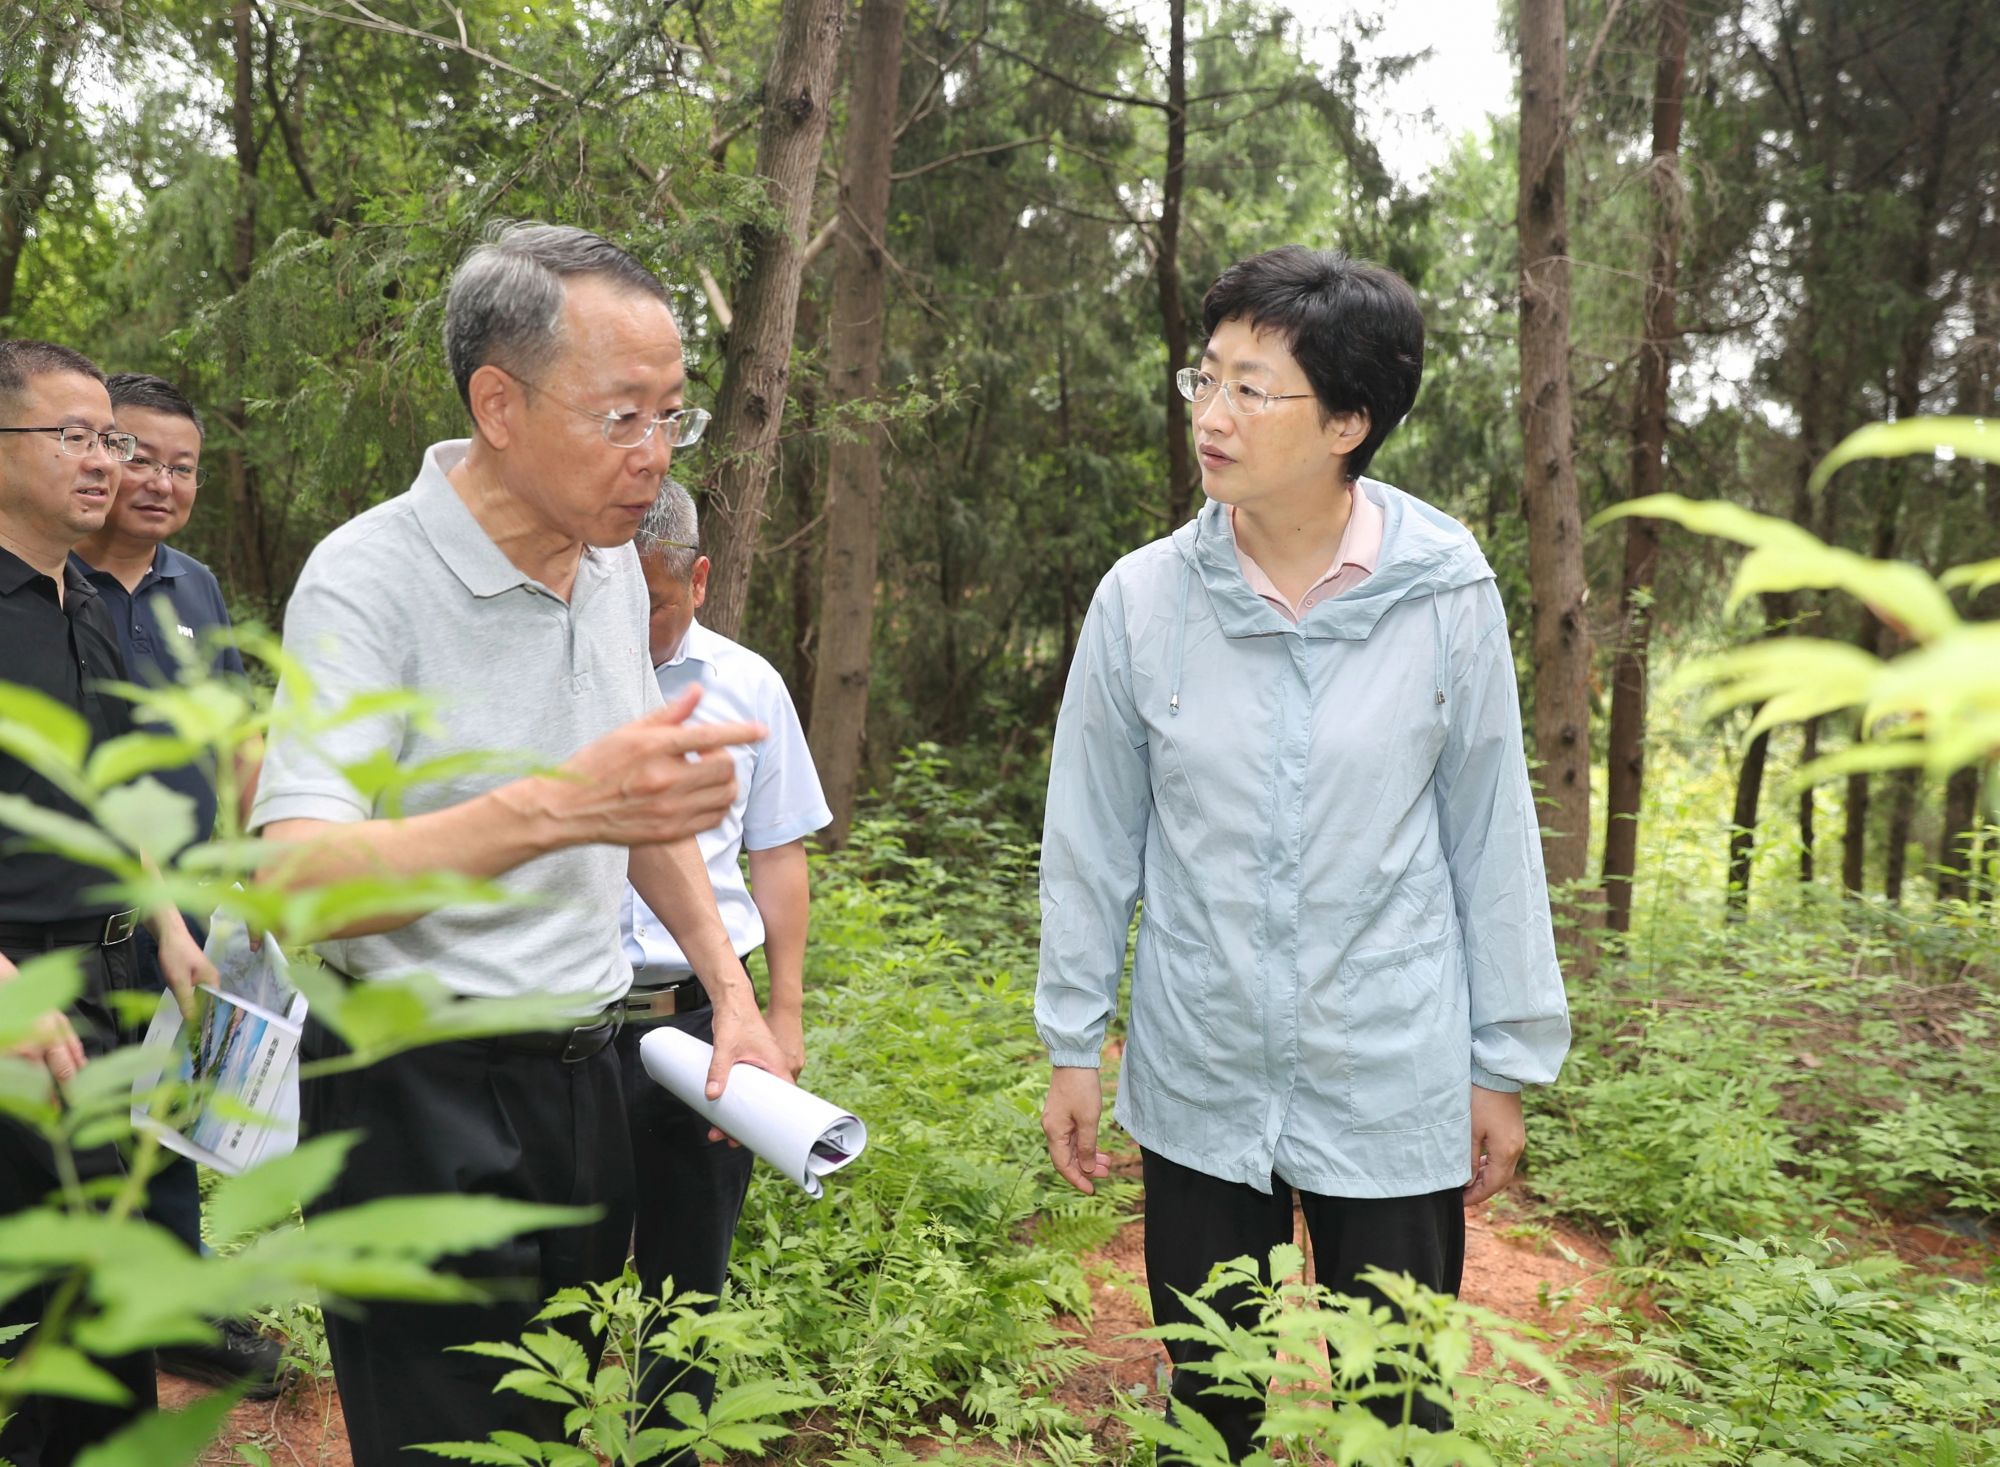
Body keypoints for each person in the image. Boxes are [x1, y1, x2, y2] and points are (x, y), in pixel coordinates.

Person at [248, 224, 786, 1464]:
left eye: (671, 417)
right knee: (445, 1440)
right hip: (411, 1091)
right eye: (620, 417)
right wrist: (558, 805)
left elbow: (633, 806)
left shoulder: (604, 565)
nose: (651, 457)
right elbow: (306, 886)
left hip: (583, 1073)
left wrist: (728, 988)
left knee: (548, 1418)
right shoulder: (362, 583)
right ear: (498, 403)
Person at [1034, 246, 1571, 1461]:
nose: (1210, 417)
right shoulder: (1140, 602)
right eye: (1203, 378)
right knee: (1208, 1401)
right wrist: (1071, 1040)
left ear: (1346, 423)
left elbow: (1487, 830)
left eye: (1250, 389)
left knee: (1392, 1410)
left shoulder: (1443, 593)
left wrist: (1499, 1061)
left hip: (1387, 1069)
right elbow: (1089, 842)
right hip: (1200, 1063)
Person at [0, 339, 217, 1465]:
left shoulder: (88, 596)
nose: (106, 463)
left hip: (119, 975)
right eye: (74, 438)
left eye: (112, 440)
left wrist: (170, 925)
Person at [68, 371, 287, 1399]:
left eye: (182, 467)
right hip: (88, 906)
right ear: (101, 455)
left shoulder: (191, 587)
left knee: (178, 1107)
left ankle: (175, 1305)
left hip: (195, 899)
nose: (159, 482)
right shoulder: (50, 582)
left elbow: (237, 737)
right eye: (140, 456)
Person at [615, 482, 830, 1436]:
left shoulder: (749, 687)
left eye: (653, 603)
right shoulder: (563, 679)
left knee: (686, 1274)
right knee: (561, 1273)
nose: (634, 625)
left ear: (697, 579)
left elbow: (779, 857)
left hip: (706, 1023)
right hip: (570, 1029)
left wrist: (779, 1016)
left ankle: (668, 1448)